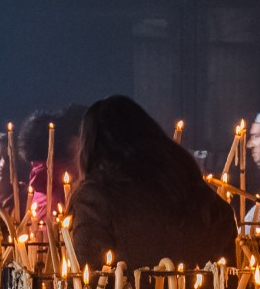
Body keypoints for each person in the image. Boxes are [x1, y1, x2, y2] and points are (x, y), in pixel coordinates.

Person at [65, 93, 239, 269]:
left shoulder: (95, 200)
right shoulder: (209, 202)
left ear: (92, 148)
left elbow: (85, 285)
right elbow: (230, 284)